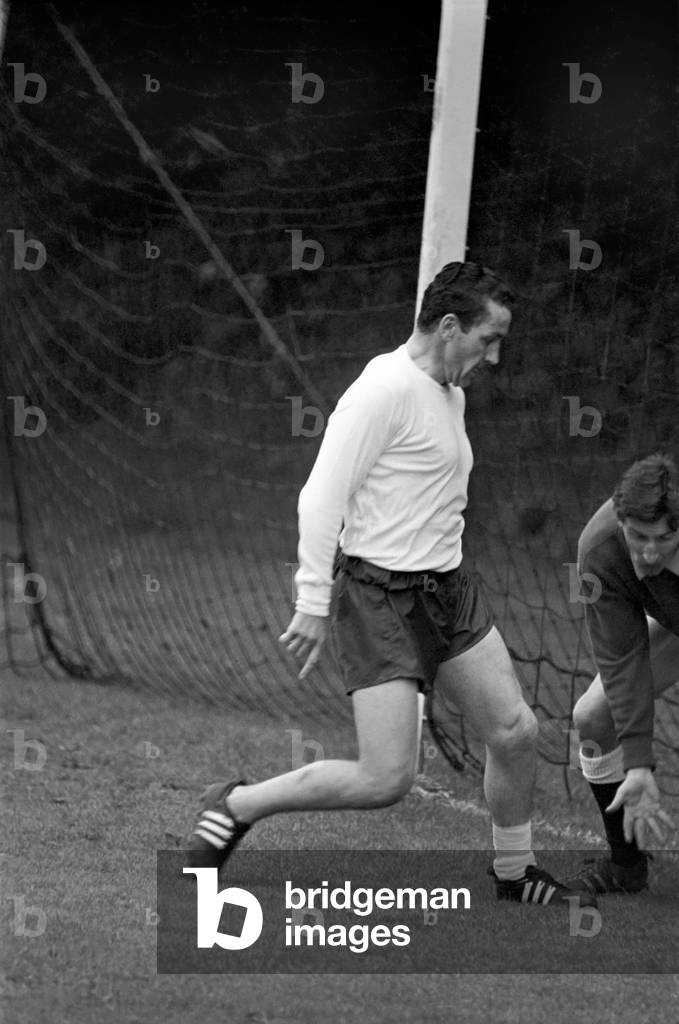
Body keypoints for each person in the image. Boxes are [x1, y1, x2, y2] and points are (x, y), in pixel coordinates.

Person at [186, 261, 594, 908]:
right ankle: (235, 804)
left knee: (515, 731)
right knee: (385, 779)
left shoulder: (450, 394)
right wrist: (312, 600)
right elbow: (320, 497)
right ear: (450, 326)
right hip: (380, 598)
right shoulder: (381, 390)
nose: (494, 356)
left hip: (449, 591)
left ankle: (515, 873)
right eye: (488, 339)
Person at [568, 452, 679, 896]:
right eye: (638, 536)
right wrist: (637, 764)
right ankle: (626, 865)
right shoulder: (600, 549)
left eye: (664, 539)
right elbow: (621, 661)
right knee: (594, 718)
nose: (649, 552)